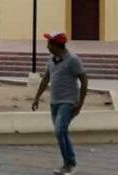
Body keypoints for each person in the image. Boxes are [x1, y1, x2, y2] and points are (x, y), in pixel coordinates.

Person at [32, 31, 88, 175]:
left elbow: (84, 80)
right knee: (61, 132)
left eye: (49, 43)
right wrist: (37, 97)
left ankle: (70, 163)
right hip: (54, 102)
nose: (47, 46)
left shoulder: (73, 60)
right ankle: (68, 163)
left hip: (68, 102)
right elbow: (46, 79)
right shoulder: (51, 59)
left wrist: (80, 103)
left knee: (59, 131)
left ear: (57, 45)